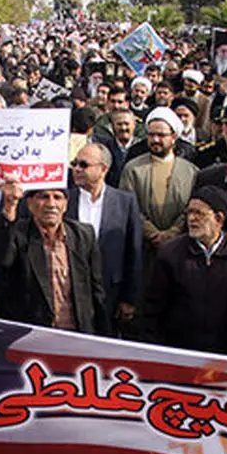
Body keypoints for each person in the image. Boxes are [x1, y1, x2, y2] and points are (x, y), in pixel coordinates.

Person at [0, 181, 107, 454]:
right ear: (31, 203)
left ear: (67, 203)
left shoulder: (82, 235)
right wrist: (8, 210)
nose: (50, 204)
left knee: (76, 421)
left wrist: (103, 342)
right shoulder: (19, 234)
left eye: (57, 197)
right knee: (39, 416)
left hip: (78, 343)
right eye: (42, 197)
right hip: (34, 346)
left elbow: (96, 289)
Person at [140, 186, 227, 355]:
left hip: (223, 356)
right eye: (189, 213)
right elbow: (152, 308)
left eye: (199, 213)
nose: (191, 219)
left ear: (219, 218)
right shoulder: (170, 254)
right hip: (178, 352)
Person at [65, 141, 143, 334]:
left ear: (103, 169)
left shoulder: (125, 202)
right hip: (70, 292)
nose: (77, 169)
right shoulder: (65, 200)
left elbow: (133, 252)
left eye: (83, 165)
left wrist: (129, 299)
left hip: (110, 293)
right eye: (74, 163)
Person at [118, 110, 198, 280]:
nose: (155, 140)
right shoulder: (133, 169)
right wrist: (153, 234)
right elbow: (128, 207)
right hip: (143, 250)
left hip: (181, 250)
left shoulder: (191, 171)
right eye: (151, 135)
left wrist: (174, 232)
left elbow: (192, 208)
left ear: (174, 136)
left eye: (161, 135)